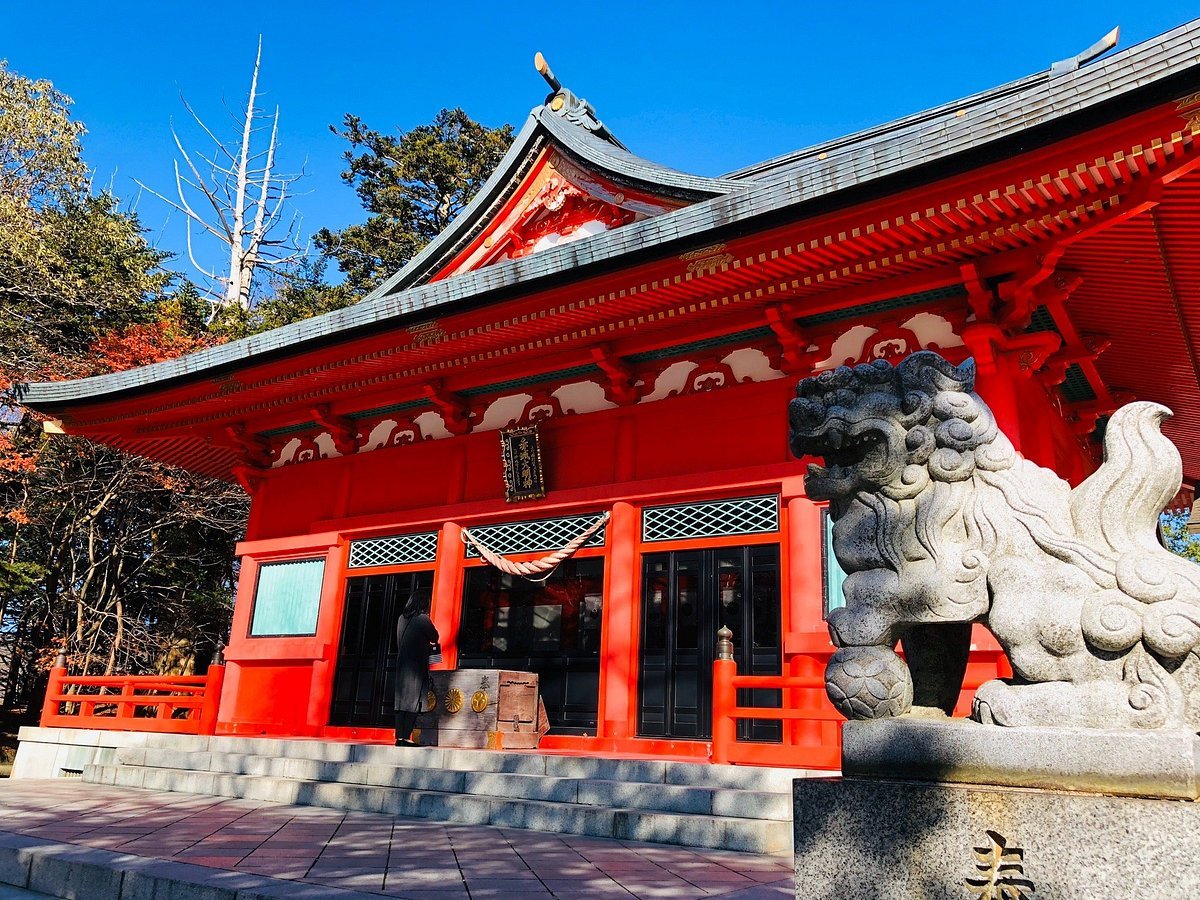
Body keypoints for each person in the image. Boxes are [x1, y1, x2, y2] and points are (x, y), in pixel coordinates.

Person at [394, 588, 439, 746]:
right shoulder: (422, 619)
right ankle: (407, 737)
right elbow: (435, 636)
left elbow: (399, 640)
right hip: (416, 665)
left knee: (401, 701)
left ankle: (399, 737)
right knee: (413, 700)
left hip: (402, 663)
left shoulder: (401, 618)